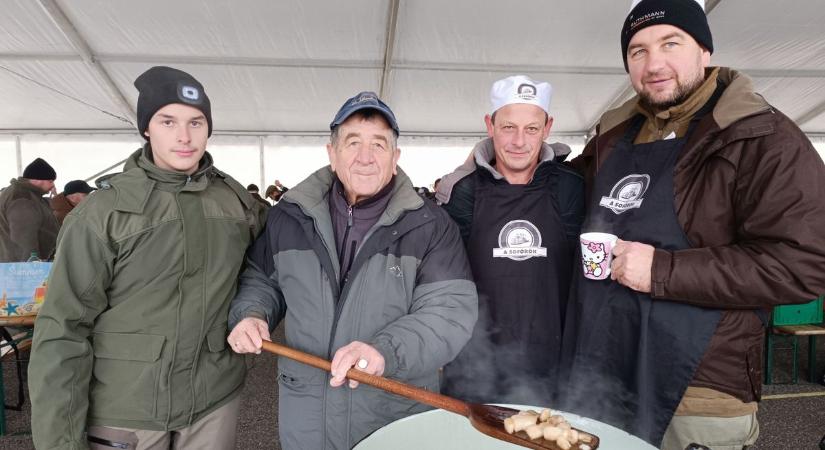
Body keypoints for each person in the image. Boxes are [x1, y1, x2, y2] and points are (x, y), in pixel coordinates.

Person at [560, 1, 825, 449]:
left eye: (670, 43)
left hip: (697, 389)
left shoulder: (762, 137)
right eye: (638, 50)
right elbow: (558, 193)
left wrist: (662, 271)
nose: (654, 63)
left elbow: (804, 264)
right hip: (606, 372)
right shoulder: (613, 136)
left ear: (704, 49)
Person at [28, 66, 265, 450]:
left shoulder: (237, 204)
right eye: (168, 121)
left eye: (196, 122)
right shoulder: (103, 214)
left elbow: (265, 271)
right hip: (126, 412)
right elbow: (62, 330)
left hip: (213, 404)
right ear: (146, 129)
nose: (184, 136)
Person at [227, 91, 478, 450]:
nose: (365, 157)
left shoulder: (431, 226)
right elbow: (260, 279)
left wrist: (385, 351)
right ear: (332, 153)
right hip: (307, 418)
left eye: (378, 144)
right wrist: (251, 313)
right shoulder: (290, 216)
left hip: (392, 420)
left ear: (396, 158)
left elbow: (450, 313)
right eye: (352, 142)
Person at [436, 75, 584, 405]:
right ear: (490, 125)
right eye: (508, 127)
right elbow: (443, 280)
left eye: (531, 128)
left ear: (547, 128)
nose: (519, 141)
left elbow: (583, 279)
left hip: (552, 366)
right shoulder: (463, 192)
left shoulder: (569, 189)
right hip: (475, 367)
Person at [0, 158, 59, 262]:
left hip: (18, 265)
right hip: (22, 269)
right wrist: (31, 267)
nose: (53, 185)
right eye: (50, 181)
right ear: (36, 179)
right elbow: (24, 238)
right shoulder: (23, 198)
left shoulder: (30, 195)